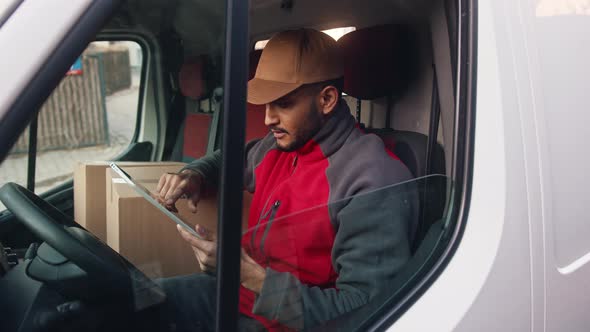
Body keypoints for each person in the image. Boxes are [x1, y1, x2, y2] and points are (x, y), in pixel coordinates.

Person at [156, 28, 417, 332]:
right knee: (139, 298)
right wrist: (193, 176)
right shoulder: (280, 144)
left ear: (327, 99)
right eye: (265, 104)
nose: (268, 119)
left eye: (283, 103)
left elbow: (362, 311)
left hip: (291, 324)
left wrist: (246, 275)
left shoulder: (373, 179)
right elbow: (226, 161)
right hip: (240, 298)